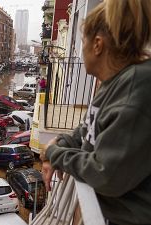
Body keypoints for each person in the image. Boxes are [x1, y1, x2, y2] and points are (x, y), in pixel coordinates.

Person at [40, 1, 151, 225]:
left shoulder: (134, 90)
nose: (81, 49)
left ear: (97, 45)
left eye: (82, 41)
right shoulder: (114, 84)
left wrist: (55, 154)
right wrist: (62, 141)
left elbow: (105, 174)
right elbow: (86, 130)